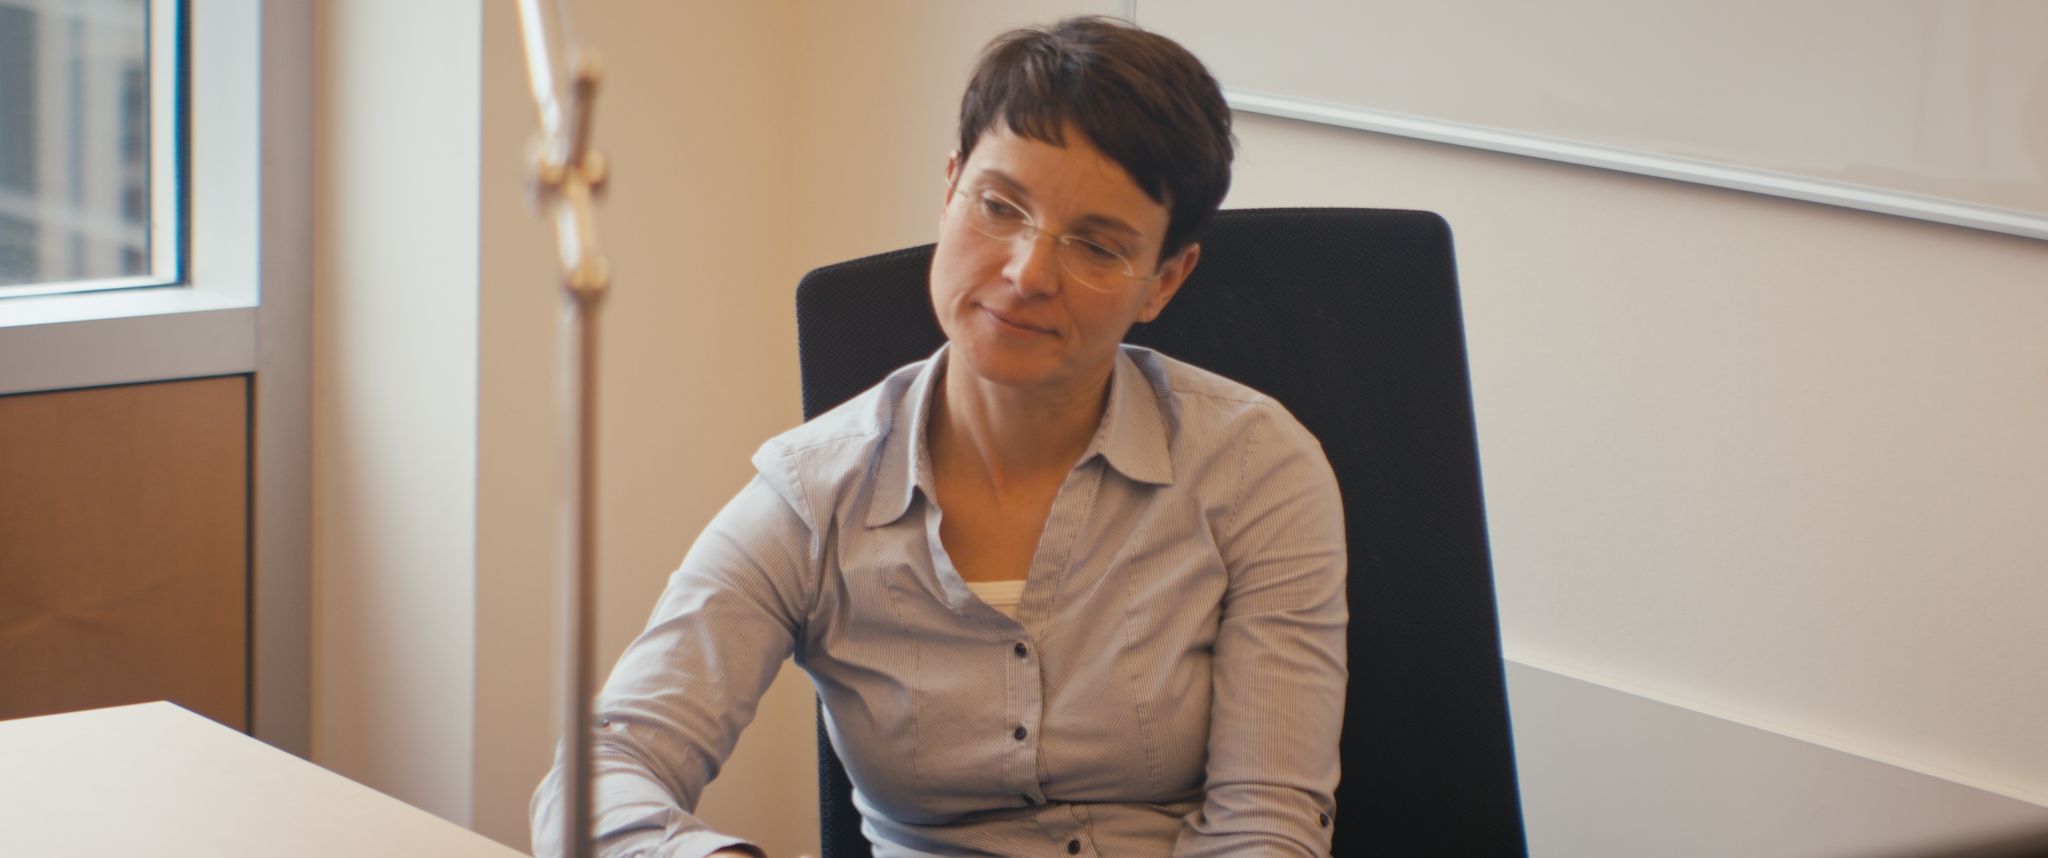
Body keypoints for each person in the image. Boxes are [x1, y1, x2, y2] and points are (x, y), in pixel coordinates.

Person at [532, 16, 1345, 858]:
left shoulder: (1256, 468)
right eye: (1000, 207)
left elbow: (1266, 822)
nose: (1027, 273)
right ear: (951, 187)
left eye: (1097, 247)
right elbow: (598, 775)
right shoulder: (815, 496)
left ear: (1165, 280)